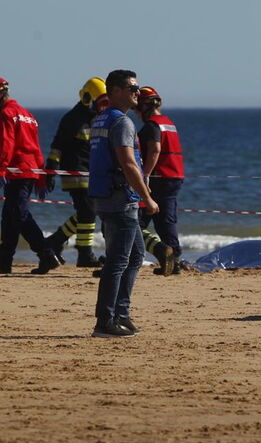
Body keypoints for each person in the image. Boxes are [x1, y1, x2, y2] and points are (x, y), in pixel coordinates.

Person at [89, 69, 160, 337]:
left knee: (135, 256)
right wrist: (147, 197)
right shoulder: (121, 122)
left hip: (106, 196)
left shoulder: (101, 119)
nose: (137, 93)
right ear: (115, 91)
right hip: (120, 201)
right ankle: (105, 321)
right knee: (118, 261)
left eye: (137, 88)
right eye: (132, 88)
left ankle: (121, 312)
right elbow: (128, 163)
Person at [0, 75, 58, 275]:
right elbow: (36, 148)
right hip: (30, 170)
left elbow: (7, 144)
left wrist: (2, 168)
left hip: (17, 172)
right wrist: (40, 175)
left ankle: (46, 254)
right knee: (9, 216)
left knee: (19, 214)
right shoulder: (27, 114)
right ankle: (4, 261)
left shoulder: (6, 114)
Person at [43, 77, 108, 268]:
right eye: (99, 102)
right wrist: (50, 170)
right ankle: (84, 254)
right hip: (75, 172)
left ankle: (56, 240)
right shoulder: (73, 118)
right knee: (88, 211)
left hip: (91, 172)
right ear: (88, 98)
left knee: (87, 212)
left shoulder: (95, 118)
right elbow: (57, 145)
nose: (102, 107)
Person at [136, 85, 184, 275]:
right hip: (174, 176)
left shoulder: (152, 125)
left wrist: (145, 175)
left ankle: (136, 256)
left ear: (144, 106)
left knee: (135, 222)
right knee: (166, 221)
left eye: (136, 108)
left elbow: (155, 149)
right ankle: (174, 262)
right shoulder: (168, 122)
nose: (135, 113)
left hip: (158, 178)